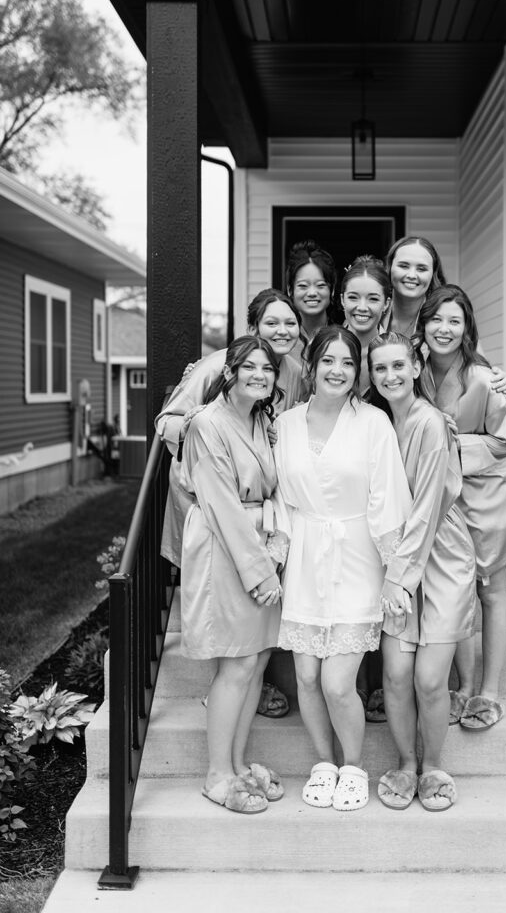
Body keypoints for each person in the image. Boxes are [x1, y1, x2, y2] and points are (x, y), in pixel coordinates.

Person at [273, 326, 411, 811]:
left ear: (358, 372)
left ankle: (353, 765)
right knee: (307, 678)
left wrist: (396, 571)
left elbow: (388, 495)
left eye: (348, 363)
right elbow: (280, 499)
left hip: (357, 555)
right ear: (310, 366)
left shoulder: (373, 422)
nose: (337, 370)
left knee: (337, 681)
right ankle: (324, 763)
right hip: (305, 555)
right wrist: (276, 553)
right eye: (327, 360)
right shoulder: (285, 423)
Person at [156, 288, 303, 718]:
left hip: (263, 510)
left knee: (250, 640)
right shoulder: (215, 369)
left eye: (290, 323)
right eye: (271, 322)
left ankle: (247, 694)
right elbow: (168, 421)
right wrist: (216, 440)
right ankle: (225, 700)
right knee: (229, 627)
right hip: (213, 502)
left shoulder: (294, 371)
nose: (282, 330)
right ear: (252, 327)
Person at [418, 284, 506, 730]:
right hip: (446, 498)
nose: (444, 329)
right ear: (423, 324)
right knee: (456, 591)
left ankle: (489, 691)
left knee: (491, 591)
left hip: (491, 496)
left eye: (455, 320)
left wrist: (451, 445)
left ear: (467, 327)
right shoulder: (416, 371)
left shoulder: (487, 378)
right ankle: (463, 686)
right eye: (436, 319)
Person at [368, 331, 477, 812]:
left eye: (398, 365)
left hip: (440, 555)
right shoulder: (377, 425)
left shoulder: (431, 424)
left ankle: (434, 764)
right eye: (380, 368)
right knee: (394, 674)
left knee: (431, 679)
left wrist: (398, 578)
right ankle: (406, 762)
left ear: (416, 367)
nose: (390, 375)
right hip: (396, 556)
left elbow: (429, 507)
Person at [180, 336, 289, 814]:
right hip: (226, 548)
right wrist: (259, 572)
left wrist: (278, 541)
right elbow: (221, 505)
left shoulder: (261, 420)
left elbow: (275, 489)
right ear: (230, 371)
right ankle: (216, 776)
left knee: (258, 660)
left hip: (260, 542)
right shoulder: (207, 424)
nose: (260, 375)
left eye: (268, 368)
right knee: (237, 664)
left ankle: (239, 764)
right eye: (250, 366)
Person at [339, 255, 392, 398]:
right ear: (342, 299)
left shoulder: (399, 351)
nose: (362, 307)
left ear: (386, 304)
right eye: (353, 297)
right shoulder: (323, 347)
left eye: (373, 299)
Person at [385, 236, 446, 337]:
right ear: (390, 267)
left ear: (433, 274)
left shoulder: (447, 317)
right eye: (403, 266)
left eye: (421, 269)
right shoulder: (374, 311)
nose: (411, 275)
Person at [285, 239, 337, 357]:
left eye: (320, 285)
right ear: (290, 290)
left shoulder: (342, 338)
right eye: (303, 286)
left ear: (332, 290)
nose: (312, 293)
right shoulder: (281, 339)